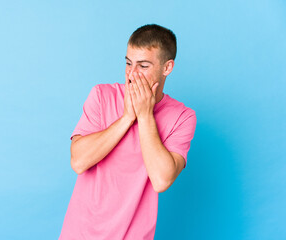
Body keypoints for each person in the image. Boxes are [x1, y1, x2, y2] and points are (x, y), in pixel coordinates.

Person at [59, 24, 197, 240]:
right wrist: (126, 118)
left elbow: (161, 180)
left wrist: (144, 116)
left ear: (167, 67)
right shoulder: (102, 96)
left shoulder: (182, 117)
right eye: (128, 63)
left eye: (143, 66)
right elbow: (78, 161)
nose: (131, 74)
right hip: (81, 233)